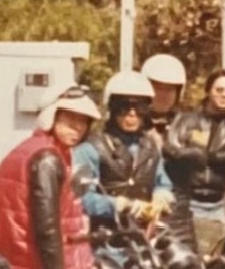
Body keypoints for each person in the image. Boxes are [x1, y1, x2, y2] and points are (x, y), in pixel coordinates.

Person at [0, 83, 101, 269]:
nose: (78, 127)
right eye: (70, 118)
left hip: (14, 267)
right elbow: (47, 227)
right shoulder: (47, 158)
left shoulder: (32, 149)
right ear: (50, 117)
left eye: (84, 121)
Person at [163, 68, 225, 255]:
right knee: (183, 259)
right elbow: (170, 150)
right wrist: (192, 154)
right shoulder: (186, 120)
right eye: (219, 90)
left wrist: (210, 157)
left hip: (216, 205)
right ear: (208, 90)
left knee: (212, 260)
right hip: (185, 204)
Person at [74, 69, 175, 230]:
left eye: (140, 107)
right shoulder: (91, 148)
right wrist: (117, 205)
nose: (132, 114)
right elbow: (79, 197)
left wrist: (162, 195)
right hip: (104, 235)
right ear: (112, 108)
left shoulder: (150, 146)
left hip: (143, 234)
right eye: (124, 107)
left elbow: (163, 182)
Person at [139, 52, 188, 141]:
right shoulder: (128, 125)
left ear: (178, 93)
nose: (163, 95)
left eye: (169, 90)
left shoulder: (188, 129)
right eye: (158, 88)